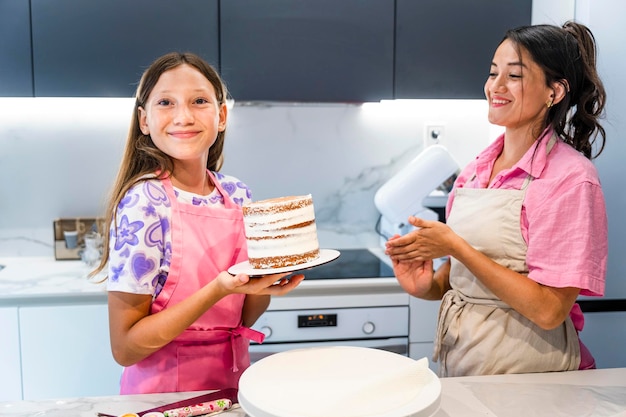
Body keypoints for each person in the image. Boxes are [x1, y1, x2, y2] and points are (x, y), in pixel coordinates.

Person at [385, 21, 607, 377]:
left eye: (514, 76)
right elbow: (459, 279)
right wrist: (426, 286)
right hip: (468, 365)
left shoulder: (569, 178)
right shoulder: (475, 171)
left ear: (555, 91)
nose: (495, 87)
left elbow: (550, 310)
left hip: (533, 377)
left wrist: (456, 247)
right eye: (492, 73)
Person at [91, 52, 304, 394]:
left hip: (230, 390)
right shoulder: (143, 203)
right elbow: (125, 349)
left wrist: (265, 282)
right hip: (161, 398)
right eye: (166, 102)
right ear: (144, 121)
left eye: (199, 101)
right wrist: (219, 288)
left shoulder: (237, 194)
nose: (184, 116)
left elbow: (243, 317)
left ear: (221, 116)